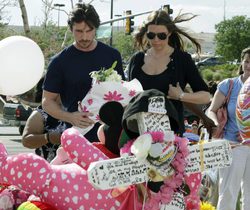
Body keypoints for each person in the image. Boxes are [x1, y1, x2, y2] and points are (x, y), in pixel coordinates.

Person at [42, 3, 125, 142]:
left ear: (96, 29)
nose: (85, 37)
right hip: (77, 137)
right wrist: (70, 117)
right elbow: (47, 101)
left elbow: (122, 92)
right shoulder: (60, 61)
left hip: (111, 136)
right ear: (71, 29)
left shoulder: (112, 55)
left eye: (89, 30)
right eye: (79, 31)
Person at [127, 9, 211, 134]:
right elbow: (130, 96)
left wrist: (181, 96)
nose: (156, 40)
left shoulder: (182, 59)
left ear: (170, 33)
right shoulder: (137, 59)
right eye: (151, 35)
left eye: (161, 35)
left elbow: (205, 97)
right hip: (139, 131)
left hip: (171, 133)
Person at [207, 47, 250, 210]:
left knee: (249, 189)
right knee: (229, 188)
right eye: (247, 61)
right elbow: (211, 110)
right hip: (232, 144)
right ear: (241, 62)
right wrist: (215, 122)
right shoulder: (229, 85)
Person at [22, 77, 67, 162]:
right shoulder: (40, 114)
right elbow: (26, 141)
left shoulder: (75, 109)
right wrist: (48, 137)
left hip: (73, 171)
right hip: (47, 170)